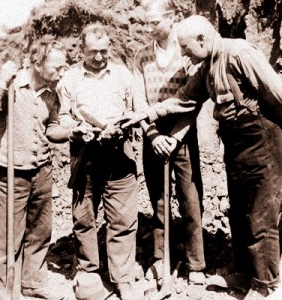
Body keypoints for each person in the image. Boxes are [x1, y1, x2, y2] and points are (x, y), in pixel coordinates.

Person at [118, 15, 282, 300]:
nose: (182, 53)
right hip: (236, 143)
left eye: (185, 47)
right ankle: (243, 273)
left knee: (261, 214)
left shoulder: (239, 53)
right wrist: (146, 114)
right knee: (240, 211)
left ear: (202, 40)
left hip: (262, 141)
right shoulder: (206, 67)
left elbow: (277, 92)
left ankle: (264, 284)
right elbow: (184, 98)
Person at [55, 23, 142, 300]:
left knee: (123, 216)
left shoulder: (123, 75)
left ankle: (123, 277)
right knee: (84, 215)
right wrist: (77, 129)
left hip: (119, 152)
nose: (100, 57)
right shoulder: (69, 80)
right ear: (82, 49)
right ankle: (89, 270)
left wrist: (125, 123)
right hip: (85, 156)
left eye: (104, 51)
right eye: (93, 52)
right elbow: (62, 118)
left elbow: (135, 110)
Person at [0, 40, 73, 299]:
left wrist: (72, 132)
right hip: (12, 173)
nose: (62, 71)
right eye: (57, 67)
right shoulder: (11, 84)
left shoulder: (52, 92)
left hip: (42, 170)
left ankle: (33, 284)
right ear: (37, 63)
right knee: (8, 237)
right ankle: (4, 292)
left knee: (40, 232)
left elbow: (52, 128)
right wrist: (0, 82)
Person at [133, 0, 205, 284]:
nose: (149, 28)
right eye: (145, 23)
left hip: (182, 134)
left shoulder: (187, 53)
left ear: (173, 17)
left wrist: (173, 138)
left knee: (190, 200)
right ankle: (162, 259)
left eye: (154, 22)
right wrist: (152, 135)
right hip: (152, 136)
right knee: (159, 201)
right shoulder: (141, 56)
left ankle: (196, 265)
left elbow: (194, 102)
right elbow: (139, 100)